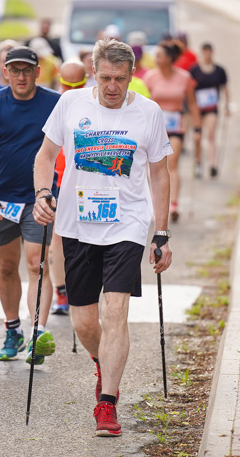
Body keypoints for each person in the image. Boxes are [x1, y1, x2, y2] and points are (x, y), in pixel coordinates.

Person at [32, 38, 173, 436]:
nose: (113, 87)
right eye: (106, 78)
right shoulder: (71, 105)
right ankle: (101, 361)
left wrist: (160, 233)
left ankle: (107, 404)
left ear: (133, 76)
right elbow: (44, 156)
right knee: (84, 322)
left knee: (115, 313)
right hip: (77, 224)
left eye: (121, 79)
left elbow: (161, 174)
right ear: (93, 72)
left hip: (126, 224)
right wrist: (44, 193)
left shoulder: (148, 113)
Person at [0, 46, 62, 364]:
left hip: (39, 197)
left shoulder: (54, 102)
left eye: (27, 70)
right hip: (2, 200)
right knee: (8, 266)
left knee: (37, 263)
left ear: (38, 71)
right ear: (5, 72)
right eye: (15, 70)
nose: (21, 76)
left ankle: (38, 331)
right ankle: (13, 329)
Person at [47, 59, 89, 315]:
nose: (71, 88)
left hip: (77, 182)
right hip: (65, 181)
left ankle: (68, 293)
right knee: (62, 238)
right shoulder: (58, 106)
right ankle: (64, 294)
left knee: (65, 238)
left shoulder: (58, 103)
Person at [143, 40, 201, 222]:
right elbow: (143, 103)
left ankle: (174, 204)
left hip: (176, 125)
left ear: (169, 58)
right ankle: (154, 204)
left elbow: (192, 102)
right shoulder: (151, 77)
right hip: (155, 127)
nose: (155, 59)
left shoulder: (184, 77)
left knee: (172, 163)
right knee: (153, 166)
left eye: (159, 56)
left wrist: (198, 128)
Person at [189, 42, 230, 178]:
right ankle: (198, 163)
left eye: (209, 52)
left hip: (212, 108)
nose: (207, 54)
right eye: (204, 52)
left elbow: (225, 88)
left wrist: (227, 106)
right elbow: (189, 89)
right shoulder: (194, 70)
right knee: (198, 137)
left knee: (211, 135)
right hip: (197, 109)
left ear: (212, 53)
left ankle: (213, 164)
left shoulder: (219, 70)